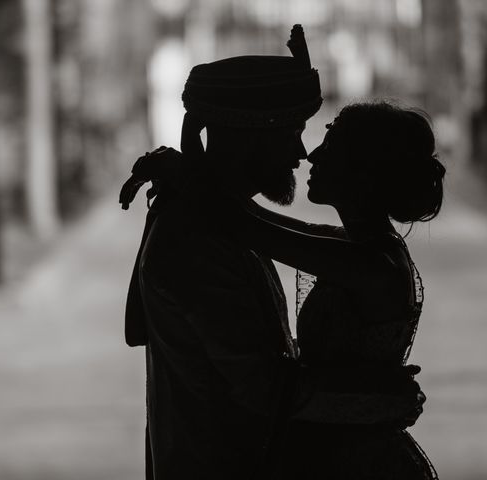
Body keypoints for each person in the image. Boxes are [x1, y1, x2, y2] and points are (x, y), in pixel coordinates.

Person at [121, 25, 427, 480]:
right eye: (294, 132)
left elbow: (260, 229)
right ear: (252, 137)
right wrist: (381, 398)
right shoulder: (199, 234)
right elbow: (263, 388)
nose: (304, 154)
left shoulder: (230, 224)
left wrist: (193, 172)